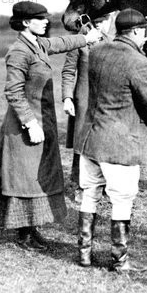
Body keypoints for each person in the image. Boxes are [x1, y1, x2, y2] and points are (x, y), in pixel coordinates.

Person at [0, 1, 101, 250]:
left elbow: (61, 43)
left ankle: (31, 230)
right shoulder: (19, 51)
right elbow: (13, 92)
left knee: (35, 177)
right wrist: (30, 123)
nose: (46, 22)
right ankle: (24, 235)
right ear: (26, 23)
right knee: (24, 179)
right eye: (40, 19)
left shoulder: (38, 44)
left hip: (42, 122)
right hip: (23, 127)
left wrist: (86, 37)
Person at [76, 8, 147, 272]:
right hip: (120, 143)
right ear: (134, 31)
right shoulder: (139, 62)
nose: (146, 36)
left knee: (90, 193)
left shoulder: (97, 51)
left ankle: (84, 254)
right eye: (144, 30)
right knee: (122, 199)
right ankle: (120, 261)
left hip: (90, 139)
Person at [62, 13, 115, 203]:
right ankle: (80, 186)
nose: (101, 26)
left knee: (106, 142)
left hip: (107, 101)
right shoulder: (80, 42)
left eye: (105, 21)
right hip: (84, 99)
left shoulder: (113, 42)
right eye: (98, 21)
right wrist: (67, 98)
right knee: (82, 142)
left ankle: (107, 186)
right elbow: (68, 71)